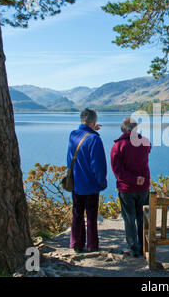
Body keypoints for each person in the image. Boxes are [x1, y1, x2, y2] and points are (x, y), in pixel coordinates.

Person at [67, 108, 107, 253]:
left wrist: (90, 129)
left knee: (77, 214)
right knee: (91, 215)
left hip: (76, 183)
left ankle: (76, 244)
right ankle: (92, 245)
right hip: (90, 185)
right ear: (94, 122)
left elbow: (69, 158)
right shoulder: (94, 139)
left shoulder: (73, 135)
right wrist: (101, 182)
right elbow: (99, 165)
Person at [111, 117, 151, 257]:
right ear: (136, 129)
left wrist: (133, 179)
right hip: (143, 189)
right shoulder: (145, 142)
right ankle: (144, 246)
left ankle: (133, 248)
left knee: (129, 218)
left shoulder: (118, 146)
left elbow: (117, 171)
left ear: (123, 129)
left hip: (126, 188)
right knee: (142, 218)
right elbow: (148, 148)